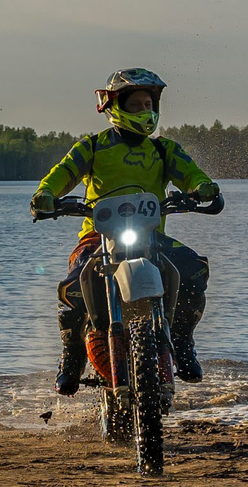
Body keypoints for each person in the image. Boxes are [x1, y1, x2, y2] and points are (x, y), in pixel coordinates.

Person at [31, 68, 223, 394]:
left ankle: (182, 339)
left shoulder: (163, 150)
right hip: (98, 238)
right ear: (116, 106)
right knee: (72, 287)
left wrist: (203, 187)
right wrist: (46, 194)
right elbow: (63, 173)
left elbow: (191, 174)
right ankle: (72, 357)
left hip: (150, 237)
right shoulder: (92, 146)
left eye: (149, 104)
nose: (145, 111)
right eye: (136, 105)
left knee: (194, 270)